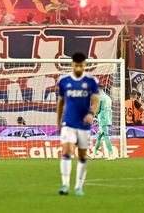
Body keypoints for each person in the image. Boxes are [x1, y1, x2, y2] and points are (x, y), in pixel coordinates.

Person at [56, 52, 99, 196]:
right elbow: (61, 102)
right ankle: (65, 185)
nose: (79, 68)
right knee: (67, 152)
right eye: (76, 66)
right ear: (72, 65)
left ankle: (79, 187)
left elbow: (95, 101)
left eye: (81, 66)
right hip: (68, 123)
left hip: (84, 125)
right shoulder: (64, 81)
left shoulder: (92, 81)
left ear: (85, 65)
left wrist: (91, 114)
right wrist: (58, 121)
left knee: (82, 156)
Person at [91, 87, 115, 159]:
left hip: (102, 119)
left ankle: (112, 154)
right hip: (107, 118)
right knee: (99, 137)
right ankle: (94, 154)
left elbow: (97, 110)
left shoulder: (99, 97)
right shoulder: (108, 98)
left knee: (106, 136)